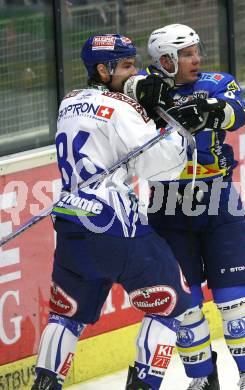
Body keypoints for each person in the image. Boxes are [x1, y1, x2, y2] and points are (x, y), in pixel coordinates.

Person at [31, 33, 205, 390]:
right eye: (126, 65)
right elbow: (160, 168)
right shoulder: (121, 108)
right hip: (116, 225)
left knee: (65, 317)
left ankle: (45, 384)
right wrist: (167, 122)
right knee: (170, 305)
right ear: (102, 69)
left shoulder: (69, 101)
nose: (134, 72)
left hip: (72, 225)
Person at [124, 24, 245, 390]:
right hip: (169, 210)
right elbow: (120, 92)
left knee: (233, 298)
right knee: (185, 305)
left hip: (219, 201)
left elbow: (237, 113)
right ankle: (202, 380)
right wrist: (136, 89)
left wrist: (208, 109)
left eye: (196, 51)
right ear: (165, 61)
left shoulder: (218, 82)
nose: (196, 59)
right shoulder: (145, 91)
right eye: (186, 54)